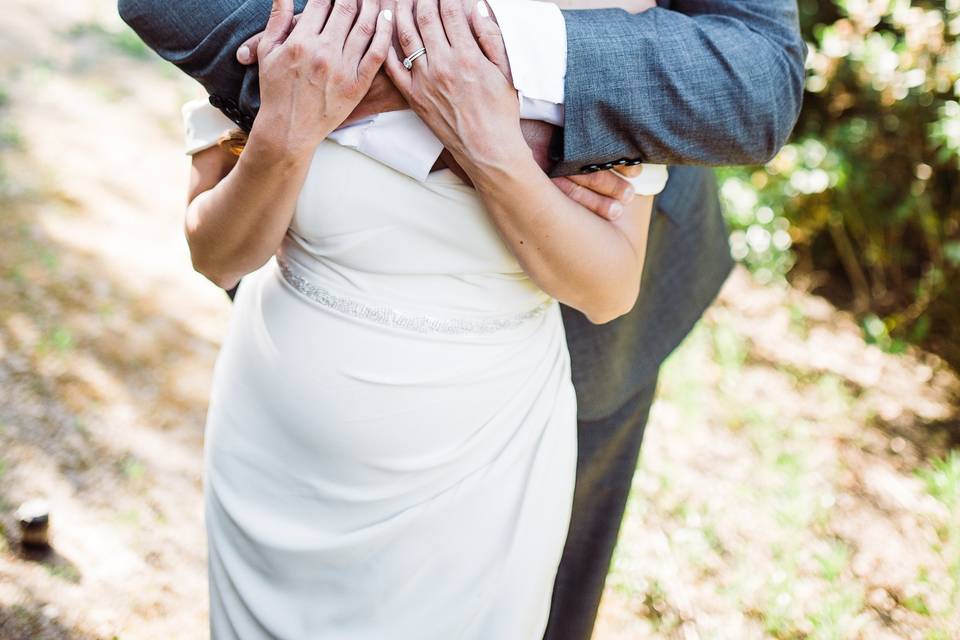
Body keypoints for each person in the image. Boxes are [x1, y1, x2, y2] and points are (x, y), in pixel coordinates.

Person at [119, 0, 807, 637]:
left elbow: (756, 73)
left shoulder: (614, 37)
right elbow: (216, 234)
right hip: (287, 415)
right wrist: (398, 89)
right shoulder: (304, 40)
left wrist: (489, 104)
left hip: (530, 397)